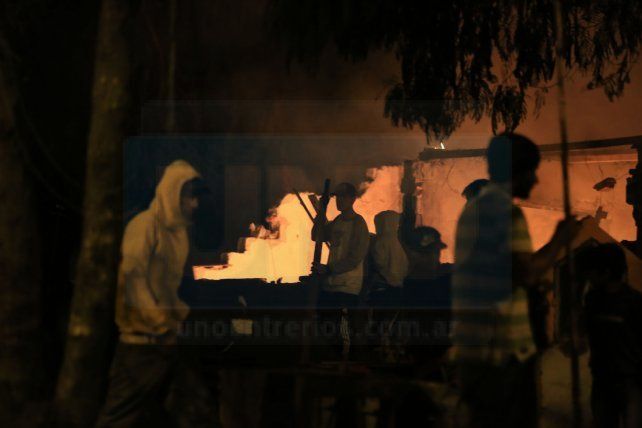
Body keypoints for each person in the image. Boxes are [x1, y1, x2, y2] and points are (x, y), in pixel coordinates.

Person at [451, 133, 581, 428]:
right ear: (517, 170)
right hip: (503, 350)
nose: (535, 180)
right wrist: (561, 240)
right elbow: (526, 274)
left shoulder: (473, 209)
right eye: (532, 171)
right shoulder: (507, 213)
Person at [96, 160, 213, 428]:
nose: (194, 204)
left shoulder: (178, 233)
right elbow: (133, 280)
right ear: (172, 193)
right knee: (121, 417)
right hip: (141, 347)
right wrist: (160, 322)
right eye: (189, 196)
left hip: (168, 342)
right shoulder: (143, 227)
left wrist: (177, 318)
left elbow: (167, 287)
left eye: (195, 197)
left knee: (194, 413)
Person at [579, 243, 642, 428]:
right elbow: (583, 331)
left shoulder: (634, 303)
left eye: (591, 271)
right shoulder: (592, 299)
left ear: (605, 272)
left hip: (630, 381)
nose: (588, 276)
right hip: (602, 378)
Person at [312, 182, 370, 356]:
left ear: (353, 199)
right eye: (337, 197)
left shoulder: (358, 224)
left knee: (343, 329)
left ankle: (345, 361)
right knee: (326, 324)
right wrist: (321, 212)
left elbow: (355, 257)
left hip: (347, 286)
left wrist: (329, 269)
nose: (339, 200)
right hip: (331, 284)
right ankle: (332, 358)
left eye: (344, 197)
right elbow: (317, 235)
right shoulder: (337, 221)